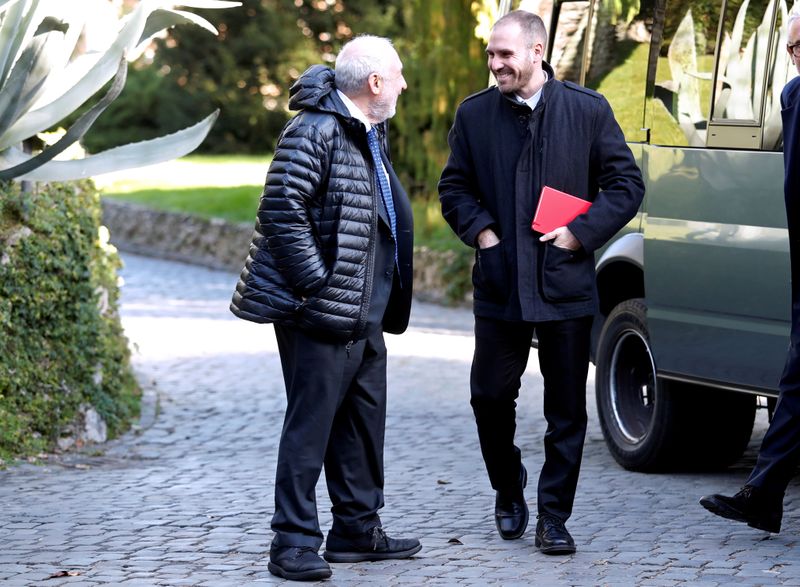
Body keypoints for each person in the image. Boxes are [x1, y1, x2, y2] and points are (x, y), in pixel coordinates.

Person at [438, 10, 644, 555]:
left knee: (566, 412)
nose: (495, 63)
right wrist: (484, 237)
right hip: (501, 285)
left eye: (505, 54)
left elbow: (626, 185)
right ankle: (509, 489)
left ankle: (554, 516)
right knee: (488, 397)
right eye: (490, 54)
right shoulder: (474, 115)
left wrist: (580, 233)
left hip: (565, 285)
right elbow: (454, 189)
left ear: (536, 52)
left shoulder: (588, 110)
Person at [230, 35, 420, 581]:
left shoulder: (365, 130)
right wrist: (319, 282)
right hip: (321, 310)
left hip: (365, 312)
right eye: (398, 74)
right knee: (310, 427)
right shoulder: (316, 128)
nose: (405, 83)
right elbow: (281, 209)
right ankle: (291, 544)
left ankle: (356, 531)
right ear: (375, 83)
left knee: (362, 424)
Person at [700, 13, 800, 534]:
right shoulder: (793, 94)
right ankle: (763, 495)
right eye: (789, 45)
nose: (792, 54)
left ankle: (763, 494)